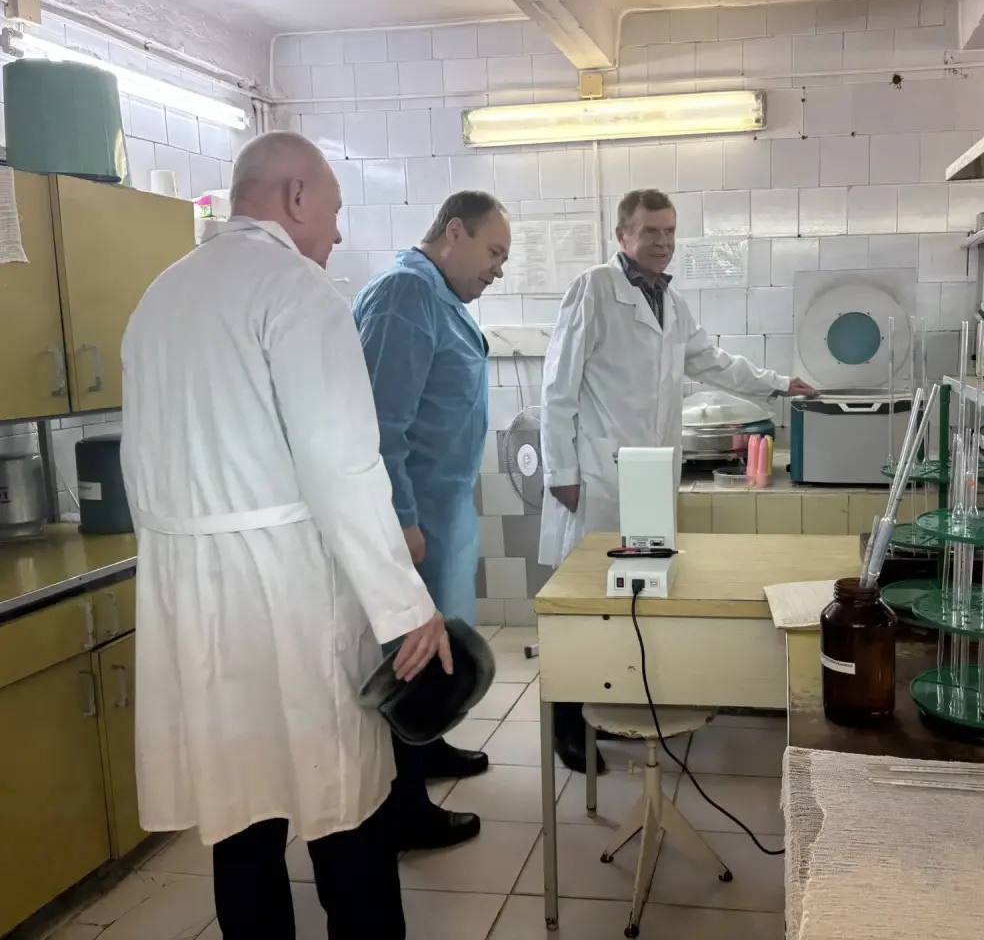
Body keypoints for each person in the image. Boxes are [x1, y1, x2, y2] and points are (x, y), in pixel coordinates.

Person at [121, 131, 451, 940]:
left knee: (240, 812)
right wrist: (406, 605)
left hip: (190, 602)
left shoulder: (160, 293)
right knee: (345, 807)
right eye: (333, 213)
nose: (335, 235)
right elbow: (344, 466)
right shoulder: (299, 289)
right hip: (286, 594)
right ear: (297, 196)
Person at [538, 188, 816, 771]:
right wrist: (561, 471)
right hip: (597, 474)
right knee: (584, 598)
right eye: (650, 232)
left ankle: (614, 700)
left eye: (669, 231)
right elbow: (558, 387)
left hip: (650, 475)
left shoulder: (671, 302)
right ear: (623, 235)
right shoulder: (594, 289)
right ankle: (565, 723)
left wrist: (776, 383)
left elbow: (712, 363)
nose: (662, 242)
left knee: (637, 590)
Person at [352, 191, 512, 847]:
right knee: (412, 655)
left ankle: (432, 748)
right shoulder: (405, 295)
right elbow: (380, 424)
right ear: (454, 232)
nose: (499, 268)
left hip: (441, 508)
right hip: (413, 513)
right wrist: (402, 520)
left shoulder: (436, 296)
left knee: (438, 641)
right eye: (493, 252)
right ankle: (404, 804)